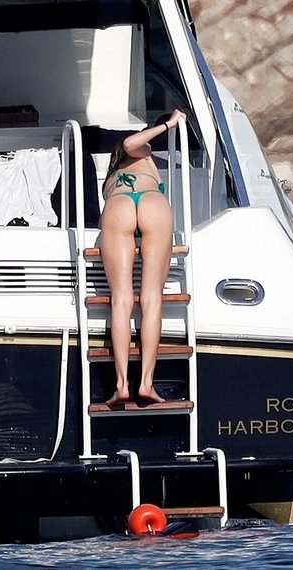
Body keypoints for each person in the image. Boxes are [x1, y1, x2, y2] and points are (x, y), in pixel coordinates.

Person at [99, 109, 187, 406]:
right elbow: (130, 143)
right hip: (152, 203)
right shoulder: (143, 154)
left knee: (121, 299)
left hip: (119, 206)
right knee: (152, 298)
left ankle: (122, 384)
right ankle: (147, 383)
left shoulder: (112, 176)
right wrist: (168, 125)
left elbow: (125, 146)